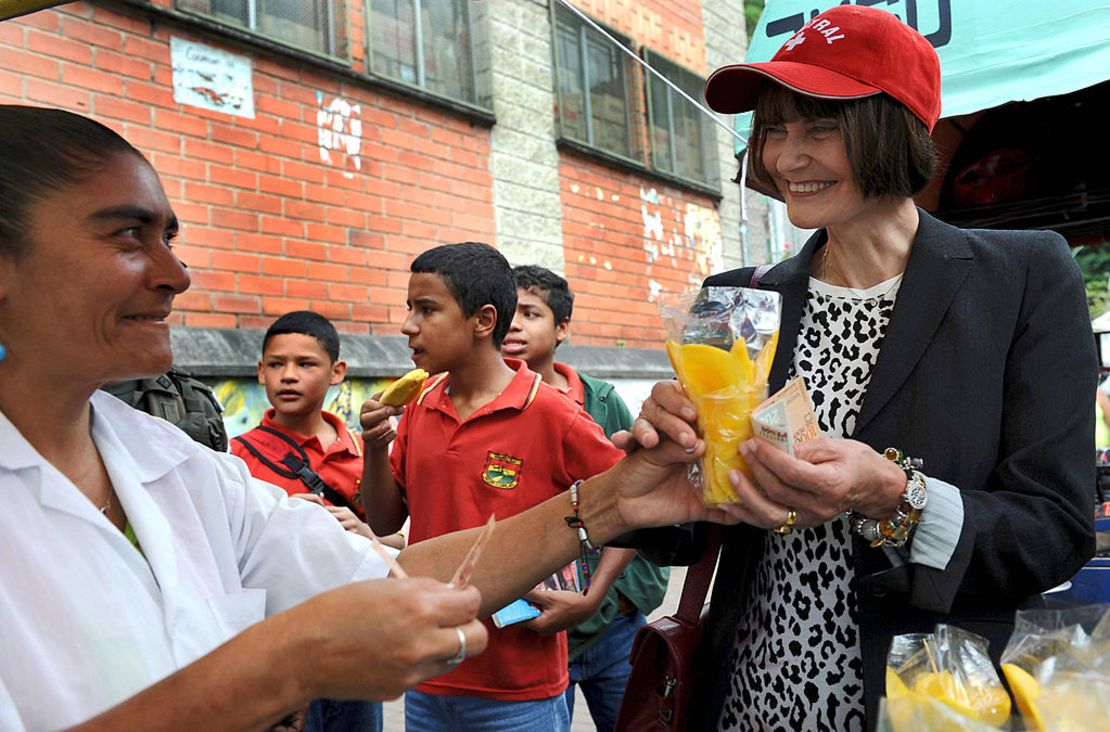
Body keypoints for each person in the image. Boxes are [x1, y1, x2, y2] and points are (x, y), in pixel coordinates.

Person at [0, 105, 739, 731]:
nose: (176, 275)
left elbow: (384, 571)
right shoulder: (414, 410)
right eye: (128, 235)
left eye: (172, 237)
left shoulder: (166, 459)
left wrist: (613, 501)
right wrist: (283, 664)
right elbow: (388, 519)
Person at [623, 6, 1097, 731]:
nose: (787, 158)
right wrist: (666, 460)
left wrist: (896, 497)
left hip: (933, 702)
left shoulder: (1024, 277)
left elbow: (1055, 530)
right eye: (774, 130)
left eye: (821, 127)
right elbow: (692, 525)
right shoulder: (739, 298)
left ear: (897, 128)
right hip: (755, 700)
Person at [359, 244, 627, 732]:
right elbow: (383, 522)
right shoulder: (418, 407)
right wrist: (375, 447)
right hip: (427, 672)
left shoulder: (553, 414)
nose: (407, 326)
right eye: (408, 308)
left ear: (483, 321)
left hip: (518, 687)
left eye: (427, 309)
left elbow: (630, 502)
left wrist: (592, 596)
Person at [503, 265, 669, 731]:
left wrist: (610, 597)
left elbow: (634, 496)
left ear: (562, 329)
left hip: (611, 620)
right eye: (507, 313)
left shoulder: (598, 401)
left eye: (531, 313)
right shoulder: (488, 407)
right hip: (530, 623)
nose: (514, 325)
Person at [230, 310, 398, 732]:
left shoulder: (366, 452)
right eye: (276, 364)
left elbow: (398, 538)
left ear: (337, 371)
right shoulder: (235, 460)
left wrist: (364, 533)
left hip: (356, 643)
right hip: (278, 649)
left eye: (305, 364)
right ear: (259, 371)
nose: (288, 376)